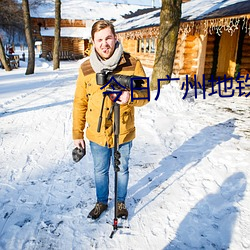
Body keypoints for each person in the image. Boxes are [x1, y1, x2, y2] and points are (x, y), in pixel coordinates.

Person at [72, 20, 149, 220]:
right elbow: (80, 102)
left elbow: (145, 94)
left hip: (123, 131)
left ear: (115, 38)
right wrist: (77, 134)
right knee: (100, 170)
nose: (104, 43)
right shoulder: (86, 68)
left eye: (108, 38)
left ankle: (120, 202)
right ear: (93, 42)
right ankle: (101, 202)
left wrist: (130, 97)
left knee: (122, 168)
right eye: (100, 40)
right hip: (97, 133)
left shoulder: (132, 64)